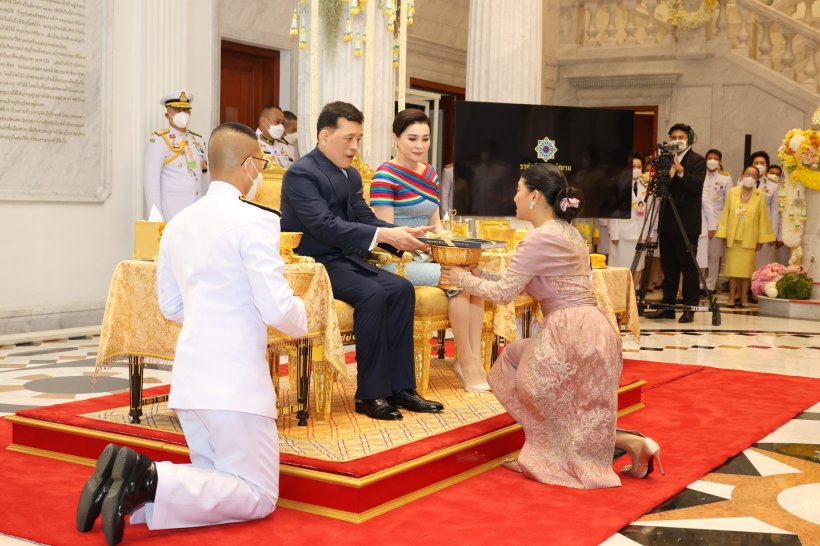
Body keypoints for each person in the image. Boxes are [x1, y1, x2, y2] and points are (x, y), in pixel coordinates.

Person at [76, 122, 308, 545]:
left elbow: (171, 306)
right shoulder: (256, 221)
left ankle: (125, 488)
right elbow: (276, 306)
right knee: (257, 494)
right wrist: (305, 316)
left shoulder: (179, 224)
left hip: (191, 380)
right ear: (248, 165)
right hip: (235, 384)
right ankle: (147, 478)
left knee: (214, 480)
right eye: (260, 164)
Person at [440, 163, 664, 488]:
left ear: (533, 196)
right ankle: (632, 443)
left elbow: (504, 293)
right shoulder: (568, 232)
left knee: (533, 388)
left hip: (569, 332)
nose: (513, 197)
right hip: (592, 329)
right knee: (518, 366)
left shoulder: (539, 240)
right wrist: (476, 276)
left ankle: (548, 455)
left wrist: (462, 278)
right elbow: (520, 281)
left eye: (518, 189)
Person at [280, 101, 444, 420]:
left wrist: (400, 232)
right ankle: (370, 394)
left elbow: (364, 217)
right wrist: (385, 237)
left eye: (359, 139)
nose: (355, 146)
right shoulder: (301, 173)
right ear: (325, 136)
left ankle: (401, 387)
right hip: (314, 265)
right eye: (349, 138)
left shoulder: (351, 176)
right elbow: (324, 224)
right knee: (373, 294)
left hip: (344, 259)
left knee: (400, 289)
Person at [371, 109, 488, 391]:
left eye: (425, 139)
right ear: (395, 138)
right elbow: (385, 234)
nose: (419, 145)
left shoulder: (431, 173)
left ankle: (468, 358)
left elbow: (435, 221)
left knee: (473, 278)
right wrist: (420, 243)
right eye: (412, 138)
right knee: (459, 282)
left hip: (427, 254)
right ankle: (468, 364)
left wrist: (448, 244)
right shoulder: (385, 175)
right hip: (397, 260)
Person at [646, 123, 706, 323]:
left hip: (687, 224)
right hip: (667, 221)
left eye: (680, 136)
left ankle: (689, 307)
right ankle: (668, 306)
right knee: (669, 267)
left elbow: (695, 186)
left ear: (688, 138)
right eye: (673, 137)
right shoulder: (664, 160)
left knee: (688, 267)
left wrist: (679, 169)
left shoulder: (697, 161)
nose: (677, 140)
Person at [143, 90, 209, 221]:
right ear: (167, 114)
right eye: (178, 110)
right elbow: (151, 183)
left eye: (186, 110)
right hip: (172, 215)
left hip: (197, 214)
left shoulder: (198, 140)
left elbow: (203, 180)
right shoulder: (159, 140)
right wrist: (156, 218)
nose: (183, 114)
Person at [717, 165, 776, 308]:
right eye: (747, 174)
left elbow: (763, 218)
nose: (750, 177)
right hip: (733, 237)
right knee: (733, 271)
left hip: (750, 238)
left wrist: (761, 239)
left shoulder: (759, 195)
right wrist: (723, 234)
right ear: (742, 175)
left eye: (754, 175)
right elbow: (726, 213)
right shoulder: (733, 192)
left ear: (757, 179)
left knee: (746, 271)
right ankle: (731, 297)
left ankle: (743, 297)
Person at [608, 152, 649, 284]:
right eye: (633, 166)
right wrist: (614, 234)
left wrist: (647, 233)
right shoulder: (619, 185)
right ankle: (619, 297)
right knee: (621, 268)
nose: (636, 169)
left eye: (639, 166)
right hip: (622, 235)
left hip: (639, 234)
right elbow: (613, 210)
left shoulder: (645, 185)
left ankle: (633, 297)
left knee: (638, 266)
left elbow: (649, 211)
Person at [701, 149, 732, 293]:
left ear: (720, 161)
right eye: (709, 158)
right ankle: (698, 283)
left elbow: (728, 204)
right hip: (702, 220)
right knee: (701, 254)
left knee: (714, 256)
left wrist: (725, 226)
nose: (712, 161)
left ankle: (710, 285)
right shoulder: (699, 175)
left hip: (719, 222)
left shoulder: (725, 178)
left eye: (715, 158)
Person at [750, 151, 782, 269]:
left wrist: (773, 234)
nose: (759, 165)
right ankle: (746, 286)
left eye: (762, 163)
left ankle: (760, 286)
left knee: (763, 263)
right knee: (747, 262)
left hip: (765, 228)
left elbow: (775, 211)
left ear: (767, 166)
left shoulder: (773, 185)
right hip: (747, 227)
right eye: (756, 163)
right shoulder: (743, 182)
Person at [256, 104, 294, 169]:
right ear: (264, 121)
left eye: (282, 123)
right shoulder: (252, 143)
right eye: (277, 122)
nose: (281, 127)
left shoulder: (283, 145)